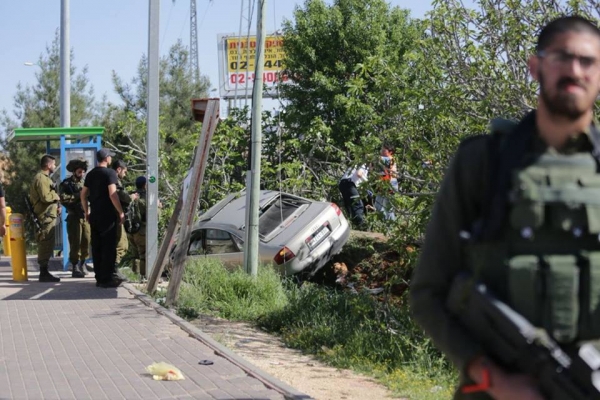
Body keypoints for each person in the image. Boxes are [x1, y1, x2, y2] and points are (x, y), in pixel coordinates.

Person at [410, 16, 600, 400]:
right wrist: (498, 382)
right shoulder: (483, 162)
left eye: (587, 61)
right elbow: (428, 294)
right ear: (535, 66)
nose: (574, 70)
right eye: (561, 57)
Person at [81, 148, 125, 288]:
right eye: (110, 156)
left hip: (94, 215)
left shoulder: (90, 174)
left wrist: (86, 211)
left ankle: (99, 278)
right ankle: (106, 279)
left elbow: (83, 194)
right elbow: (113, 194)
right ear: (106, 158)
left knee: (97, 246)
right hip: (107, 216)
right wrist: (120, 212)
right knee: (108, 247)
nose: (111, 158)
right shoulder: (110, 173)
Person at [29, 154, 61, 282]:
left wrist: (56, 206)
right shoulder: (41, 178)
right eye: (53, 164)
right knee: (45, 243)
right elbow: (45, 197)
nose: (54, 166)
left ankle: (45, 271)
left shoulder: (45, 178)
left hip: (48, 216)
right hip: (44, 217)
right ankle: (43, 273)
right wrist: (56, 196)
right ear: (48, 165)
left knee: (48, 243)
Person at [59, 158, 92, 278]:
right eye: (79, 171)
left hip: (85, 216)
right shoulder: (67, 184)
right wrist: (78, 196)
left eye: (83, 171)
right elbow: (63, 198)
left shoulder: (86, 183)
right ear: (74, 171)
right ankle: (74, 266)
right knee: (75, 242)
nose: (81, 173)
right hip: (74, 217)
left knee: (86, 240)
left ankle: (83, 263)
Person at [111, 159, 130, 266]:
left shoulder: (112, 179)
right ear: (119, 169)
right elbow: (120, 195)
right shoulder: (114, 180)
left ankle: (112, 268)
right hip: (115, 215)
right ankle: (113, 268)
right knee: (122, 245)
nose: (125, 174)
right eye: (124, 171)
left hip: (112, 215)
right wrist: (131, 197)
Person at [128, 176, 147, 278]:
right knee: (143, 254)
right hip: (141, 230)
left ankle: (135, 275)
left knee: (135, 254)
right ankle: (143, 276)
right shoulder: (145, 198)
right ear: (145, 185)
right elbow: (153, 215)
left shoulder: (132, 195)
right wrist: (158, 206)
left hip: (131, 229)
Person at [373, 144, 397, 220]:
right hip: (382, 184)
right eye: (381, 150)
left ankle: (391, 223)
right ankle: (381, 222)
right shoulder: (382, 160)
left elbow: (392, 171)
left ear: (390, 152)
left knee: (388, 207)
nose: (381, 151)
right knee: (378, 205)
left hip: (390, 184)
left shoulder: (390, 159)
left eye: (384, 150)